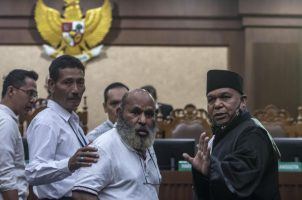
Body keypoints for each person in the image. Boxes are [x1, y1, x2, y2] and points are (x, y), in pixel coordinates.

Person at [183, 69, 281, 200]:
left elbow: (240, 178)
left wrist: (210, 169)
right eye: (211, 99)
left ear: (243, 102)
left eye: (225, 97)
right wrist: (202, 174)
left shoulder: (253, 134)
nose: (217, 104)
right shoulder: (221, 134)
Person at [25, 55, 99, 199]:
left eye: (80, 82)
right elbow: (33, 172)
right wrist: (69, 164)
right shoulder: (46, 122)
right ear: (52, 85)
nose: (76, 90)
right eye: (68, 82)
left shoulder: (71, 119)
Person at [72, 89, 161, 200]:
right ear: (119, 113)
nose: (143, 120)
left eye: (149, 114)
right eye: (135, 112)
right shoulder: (103, 146)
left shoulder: (146, 143)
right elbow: (81, 194)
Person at [0, 69, 38, 200]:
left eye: (35, 95)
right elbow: (5, 174)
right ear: (11, 91)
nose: (33, 100)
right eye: (30, 93)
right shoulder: (6, 122)